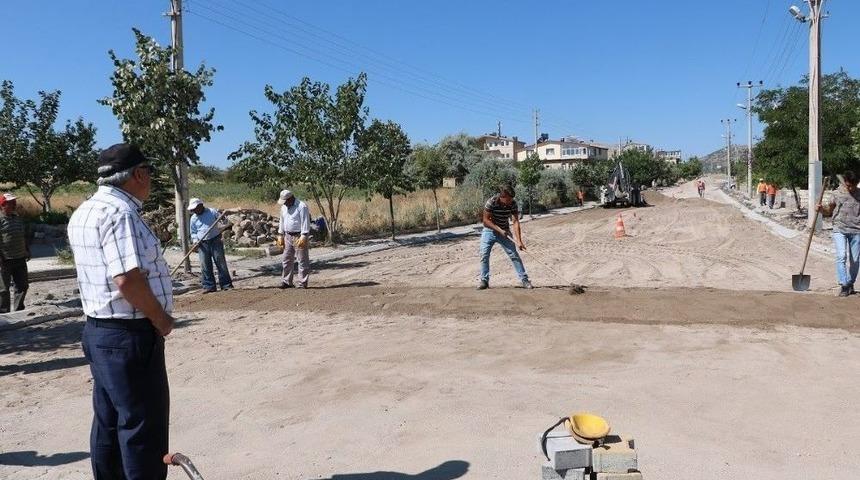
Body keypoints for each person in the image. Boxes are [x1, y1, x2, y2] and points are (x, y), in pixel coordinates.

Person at [67, 143, 174, 480]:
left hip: (99, 332)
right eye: (150, 174)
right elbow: (127, 279)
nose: (151, 181)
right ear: (139, 174)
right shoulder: (120, 214)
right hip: (129, 336)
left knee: (110, 421)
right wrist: (161, 319)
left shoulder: (85, 210)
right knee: (143, 427)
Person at [478, 185, 532, 290]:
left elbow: (515, 221)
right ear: (502, 197)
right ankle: (484, 281)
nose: (510, 201)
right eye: (508, 199)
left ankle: (524, 280)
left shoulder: (513, 204)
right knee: (484, 254)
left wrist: (519, 241)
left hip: (505, 232)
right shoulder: (491, 202)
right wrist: (499, 230)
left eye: (511, 199)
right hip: (489, 231)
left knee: (514, 255)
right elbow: (485, 221)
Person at [818, 172, 860, 297]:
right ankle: (844, 284)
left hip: (856, 230)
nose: (851, 188)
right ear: (845, 182)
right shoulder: (836, 194)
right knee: (841, 256)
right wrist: (820, 209)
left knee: (856, 260)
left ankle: (850, 283)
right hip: (839, 229)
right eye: (848, 185)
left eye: (853, 185)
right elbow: (828, 211)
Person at [188, 197, 233, 293]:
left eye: (195, 208)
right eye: (193, 209)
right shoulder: (193, 218)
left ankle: (226, 285)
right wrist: (195, 241)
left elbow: (225, 222)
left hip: (215, 240)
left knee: (220, 263)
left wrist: (223, 216)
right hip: (202, 243)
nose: (194, 211)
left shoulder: (212, 212)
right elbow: (193, 232)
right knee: (205, 265)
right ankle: (209, 286)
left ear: (201, 205)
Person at [0, 193, 30, 312]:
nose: (14, 204)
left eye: (14, 202)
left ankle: (18, 310)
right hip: (5, 259)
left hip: (20, 258)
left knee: (23, 286)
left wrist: (27, 250)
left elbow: (22, 235)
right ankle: (3, 312)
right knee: (3, 289)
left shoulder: (17, 218)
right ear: (3, 205)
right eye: (10, 203)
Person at [277, 189, 311, 289]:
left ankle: (302, 283)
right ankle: (287, 282)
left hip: (299, 236)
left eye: (286, 201)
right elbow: (282, 221)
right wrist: (280, 234)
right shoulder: (284, 207)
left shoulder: (301, 206)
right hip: (287, 235)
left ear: (290, 198)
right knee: (286, 259)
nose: (285, 204)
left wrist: (304, 235)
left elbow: (305, 221)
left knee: (302, 260)